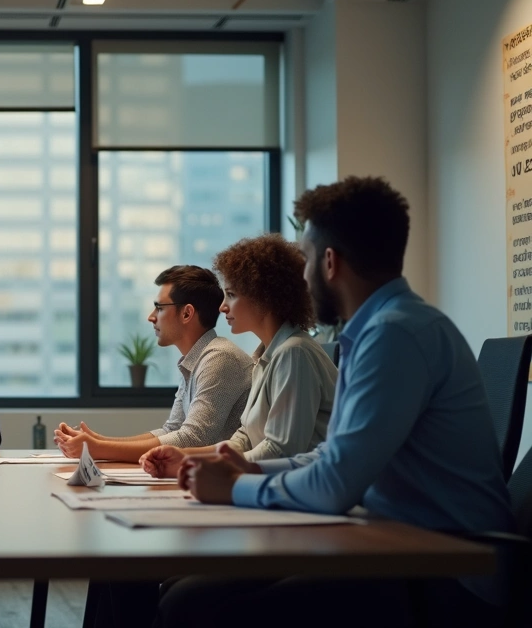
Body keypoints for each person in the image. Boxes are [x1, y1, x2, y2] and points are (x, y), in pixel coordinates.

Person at [158, 177, 515, 626]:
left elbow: (335, 485)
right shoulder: (382, 329)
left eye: (306, 259)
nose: (302, 277)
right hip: (399, 547)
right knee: (185, 591)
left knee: (190, 604)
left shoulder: (394, 335)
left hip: (445, 573)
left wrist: (233, 487)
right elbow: (332, 456)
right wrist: (251, 470)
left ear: (329, 262)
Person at [136, 234, 337, 476]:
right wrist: (184, 458)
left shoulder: (294, 353)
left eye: (231, 295)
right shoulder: (265, 357)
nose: (222, 307)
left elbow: (281, 452)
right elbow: (244, 440)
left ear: (263, 297)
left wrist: (202, 466)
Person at [55, 266, 253, 462]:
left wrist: (97, 449)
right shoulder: (196, 359)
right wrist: (96, 441)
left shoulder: (219, 358)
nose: (151, 317)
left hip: (225, 483)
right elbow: (172, 430)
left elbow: (193, 439)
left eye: (159, 308)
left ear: (186, 314)